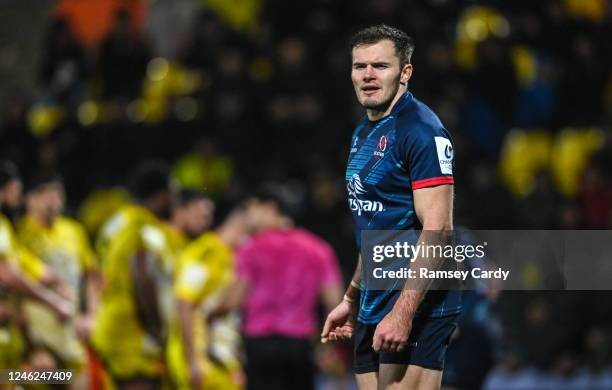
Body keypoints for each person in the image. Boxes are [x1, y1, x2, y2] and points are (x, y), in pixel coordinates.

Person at [321, 25, 460, 390]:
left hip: (417, 299)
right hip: (374, 294)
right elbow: (376, 227)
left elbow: (439, 228)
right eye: (359, 66)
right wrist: (351, 297)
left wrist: (403, 314)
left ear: (405, 73)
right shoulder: (364, 132)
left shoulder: (421, 131)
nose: (367, 75)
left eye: (380, 66)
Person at [229, 192, 343, 390]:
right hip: (299, 345)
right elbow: (334, 302)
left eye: (253, 210)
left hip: (259, 345)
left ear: (270, 208)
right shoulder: (318, 248)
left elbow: (237, 299)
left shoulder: (251, 247)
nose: (248, 219)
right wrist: (328, 346)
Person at [91, 162, 175, 389]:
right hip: (132, 330)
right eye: (171, 195)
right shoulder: (143, 225)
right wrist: (156, 327)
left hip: (107, 322)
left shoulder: (115, 222)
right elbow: (144, 277)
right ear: (161, 195)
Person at [166, 202, 255, 390]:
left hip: (220, 359)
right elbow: (185, 303)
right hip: (201, 361)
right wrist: (192, 361)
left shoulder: (230, 256)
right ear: (240, 225)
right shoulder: (204, 253)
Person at [17, 173, 98, 375]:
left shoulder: (73, 231)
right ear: (30, 199)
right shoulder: (19, 233)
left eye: (57, 193)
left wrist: (91, 316)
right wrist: (33, 345)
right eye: (45, 193)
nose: (53, 200)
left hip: (71, 328)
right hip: (37, 334)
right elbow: (15, 287)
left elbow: (92, 276)